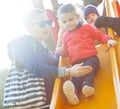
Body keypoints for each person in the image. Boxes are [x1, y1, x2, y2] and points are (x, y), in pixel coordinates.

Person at [4, 8, 93, 109]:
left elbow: (54, 67)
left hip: (50, 103)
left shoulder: (44, 46)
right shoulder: (22, 42)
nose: (47, 27)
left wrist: (58, 54)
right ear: (29, 27)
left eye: (49, 22)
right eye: (42, 24)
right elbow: (37, 69)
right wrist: (69, 71)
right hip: (30, 105)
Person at [56, 4, 117, 105]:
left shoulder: (87, 28)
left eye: (71, 19)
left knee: (88, 69)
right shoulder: (65, 35)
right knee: (75, 77)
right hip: (76, 63)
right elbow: (66, 52)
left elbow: (99, 35)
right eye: (64, 22)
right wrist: (62, 52)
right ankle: (74, 94)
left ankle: (87, 86)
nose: (68, 23)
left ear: (78, 17)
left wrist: (108, 40)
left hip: (91, 58)